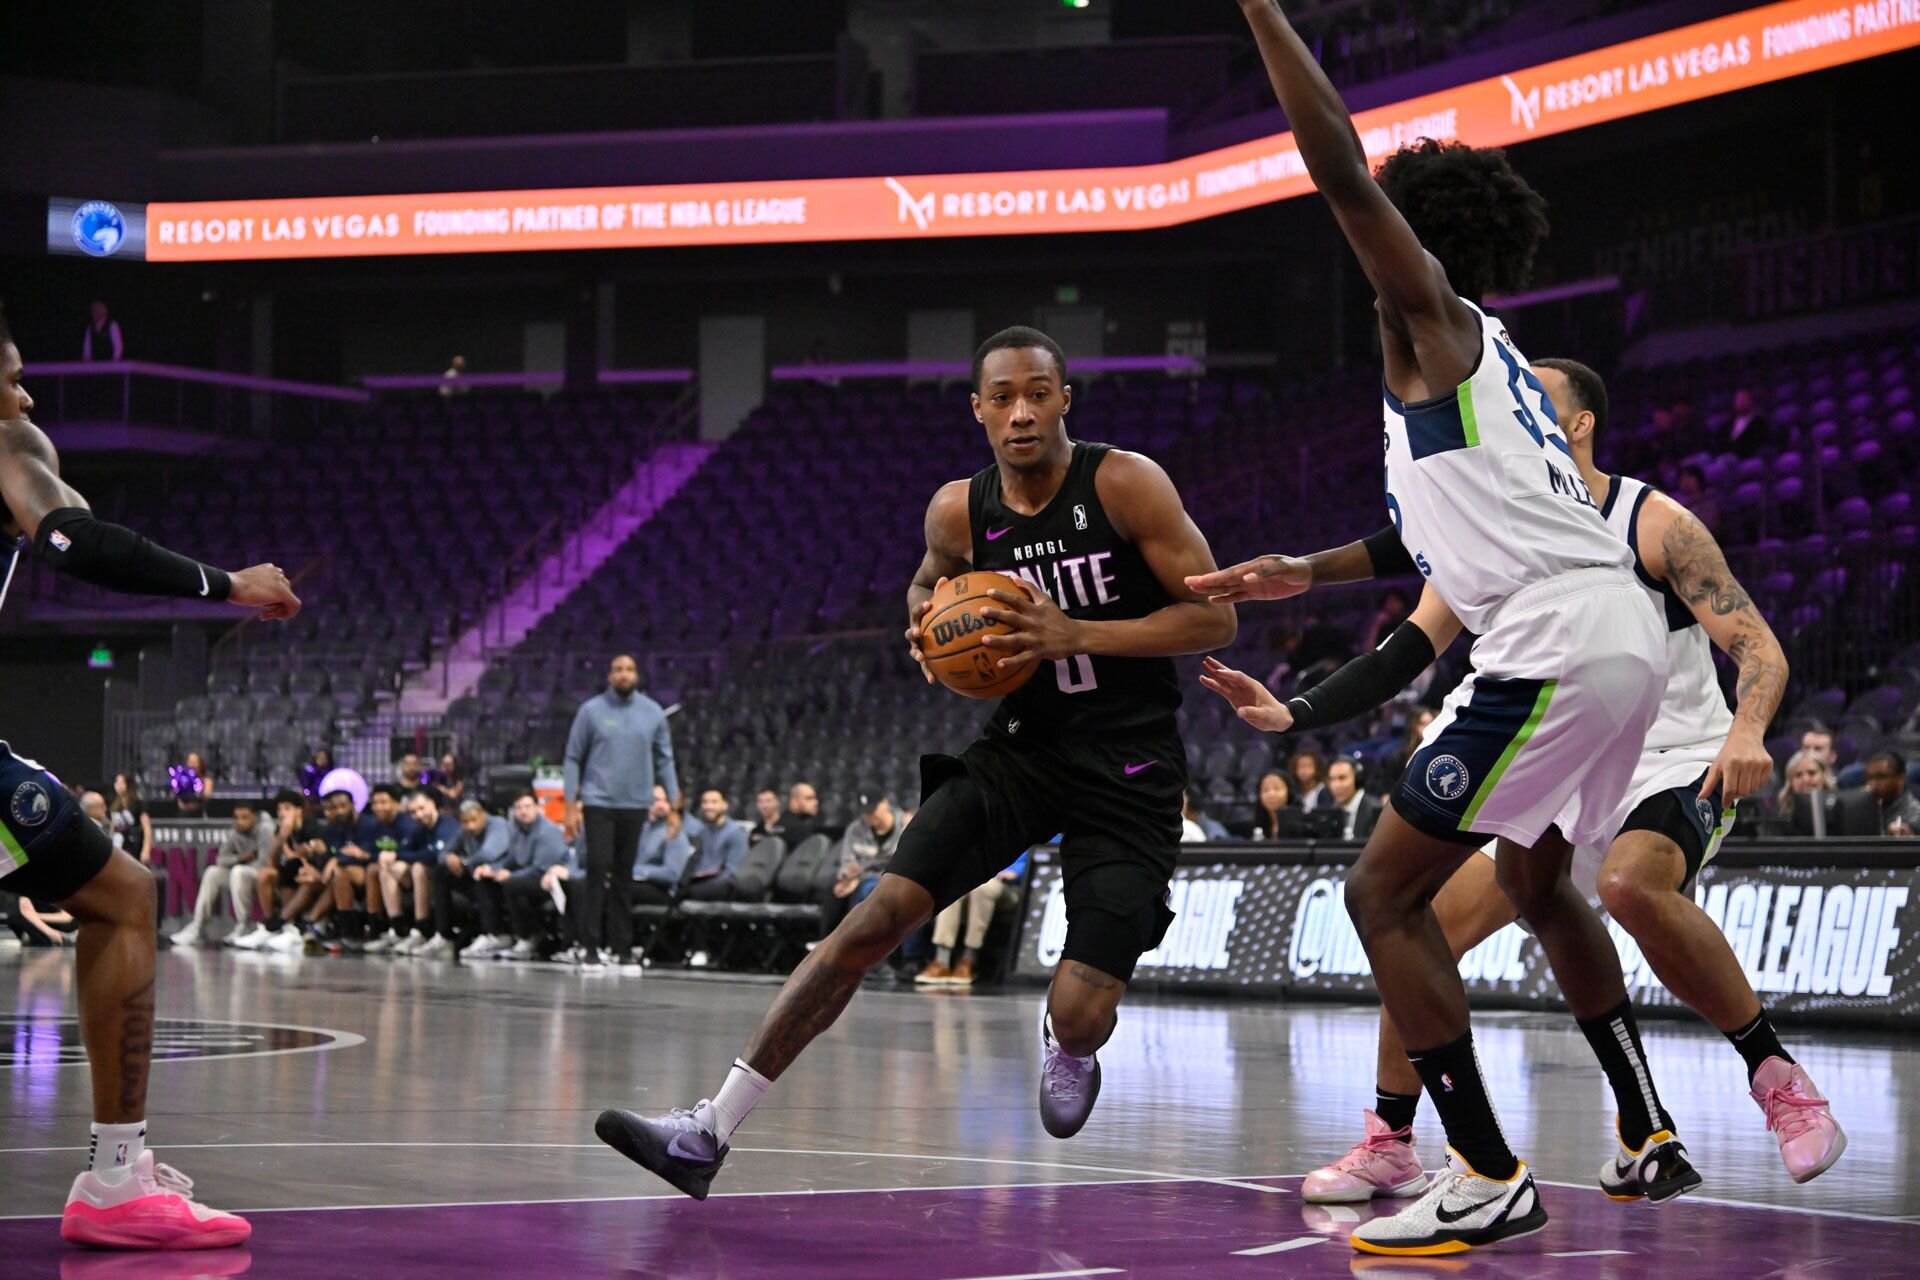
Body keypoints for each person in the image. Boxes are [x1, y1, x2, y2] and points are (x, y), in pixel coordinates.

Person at [1192, 8, 1687, 1254]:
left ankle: (1479, 1164)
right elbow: (1443, 540)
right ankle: (1640, 1121)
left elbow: (1338, 164)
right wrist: (1309, 569)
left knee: (1381, 889)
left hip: (1560, 639)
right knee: (1529, 881)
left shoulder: (1434, 319)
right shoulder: (1486, 368)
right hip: (1609, 637)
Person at [597, 323, 1235, 1198]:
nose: (1021, 412)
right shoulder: (956, 510)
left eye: (1038, 393)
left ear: (1064, 400)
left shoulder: (1123, 484)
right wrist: (926, 632)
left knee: (1084, 1014)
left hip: (1131, 763)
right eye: (1002, 397)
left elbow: (1215, 620)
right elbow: (926, 584)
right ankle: (707, 1132)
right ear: (977, 410)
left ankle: (1067, 1040)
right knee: (872, 919)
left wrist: (1073, 633)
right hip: (1024, 749)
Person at [1199, 351, 1840, 1212]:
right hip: (1558, 751)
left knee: (1626, 883)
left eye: (1537, 396)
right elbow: (1402, 653)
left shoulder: (1652, 519)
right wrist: (1294, 712)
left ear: (1577, 425)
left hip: (1676, 753)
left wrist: (1748, 731)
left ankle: (1777, 1079)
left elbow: (1759, 645)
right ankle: (1393, 1138)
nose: (1515, 405)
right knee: (1412, 918)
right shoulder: (1496, 529)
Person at [0, 303, 297, 1248]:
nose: (26, 392)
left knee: (119, 891)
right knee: (125, 899)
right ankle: (117, 1180)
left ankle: (120, 1174)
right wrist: (227, 583)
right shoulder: (7, 440)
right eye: (10, 374)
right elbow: (70, 540)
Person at [565, 654, 680, 966]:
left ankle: (622, 948)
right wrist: (569, 805)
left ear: (637, 675)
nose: (624, 674)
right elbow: (573, 757)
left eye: (629, 669)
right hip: (597, 801)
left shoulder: (652, 712)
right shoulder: (591, 711)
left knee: (624, 876)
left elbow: (664, 759)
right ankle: (589, 946)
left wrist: (674, 801)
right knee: (597, 869)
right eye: (618, 669)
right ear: (609, 676)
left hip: (636, 803)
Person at [169, 801, 274, 947]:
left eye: (245, 818)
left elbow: (264, 862)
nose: (240, 822)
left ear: (255, 817)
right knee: (213, 872)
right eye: (236, 817)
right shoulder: (235, 831)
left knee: (238, 872)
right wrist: (239, 858)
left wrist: (241, 866)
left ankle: (246, 925)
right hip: (241, 873)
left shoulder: (266, 829)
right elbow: (220, 859)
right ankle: (199, 926)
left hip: (265, 876)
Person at [915, 850, 1027, 987]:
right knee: (954, 890)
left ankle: (969, 960)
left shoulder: (1027, 830)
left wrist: (1016, 871)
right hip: (977, 880)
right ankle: (941, 961)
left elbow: (1043, 852)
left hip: (1011, 887)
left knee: (983, 889)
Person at [500, 792, 571, 959]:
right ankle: (498, 935)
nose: (523, 811)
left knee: (513, 884)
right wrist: (495, 870)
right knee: (490, 881)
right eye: (518, 808)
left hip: (551, 879)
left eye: (527, 807)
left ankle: (528, 937)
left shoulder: (548, 831)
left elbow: (539, 868)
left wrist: (510, 875)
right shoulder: (517, 830)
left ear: (537, 808)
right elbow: (510, 858)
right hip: (531, 876)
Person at [444, 799, 515, 958]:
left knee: (481, 875)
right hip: (477, 872)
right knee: (442, 872)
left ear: (483, 815)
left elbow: (488, 854)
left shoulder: (498, 824)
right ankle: (443, 934)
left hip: (502, 873)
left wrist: (463, 861)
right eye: (465, 821)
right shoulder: (464, 830)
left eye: (474, 820)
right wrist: (449, 857)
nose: (470, 826)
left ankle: (495, 934)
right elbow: (444, 852)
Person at [397, 790, 462, 957]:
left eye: (421, 808)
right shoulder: (419, 830)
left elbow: (435, 855)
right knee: (388, 867)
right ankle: (396, 929)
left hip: (456, 878)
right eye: (413, 812)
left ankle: (424, 929)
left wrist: (402, 856)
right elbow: (403, 850)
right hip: (434, 878)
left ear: (432, 804)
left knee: (419, 867)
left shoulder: (448, 825)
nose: (418, 815)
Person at [360, 784, 419, 954]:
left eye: (383, 802)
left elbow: (411, 851)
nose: (378, 807)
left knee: (387, 867)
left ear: (396, 804)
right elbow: (369, 852)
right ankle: (390, 928)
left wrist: (394, 855)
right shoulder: (374, 826)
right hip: (388, 871)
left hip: (411, 870)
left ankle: (402, 929)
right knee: (377, 868)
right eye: (375, 803)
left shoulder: (407, 824)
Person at [829, 791, 905, 912]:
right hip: (862, 879)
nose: (869, 815)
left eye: (872, 809)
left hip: (897, 879)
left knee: (870, 889)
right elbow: (848, 861)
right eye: (865, 811)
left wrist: (862, 877)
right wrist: (848, 877)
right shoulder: (856, 829)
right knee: (834, 893)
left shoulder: (906, 825)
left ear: (885, 803)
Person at [631, 785, 693, 910]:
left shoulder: (674, 833)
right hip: (638, 884)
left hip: (662, 890)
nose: (661, 805)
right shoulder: (642, 829)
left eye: (666, 801)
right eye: (657, 800)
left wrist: (636, 871)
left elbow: (672, 874)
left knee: (619, 891)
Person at [683, 789, 750, 902]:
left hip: (721, 887)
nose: (709, 806)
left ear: (724, 805)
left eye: (714, 802)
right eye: (705, 802)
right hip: (698, 880)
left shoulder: (736, 833)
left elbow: (733, 873)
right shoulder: (702, 832)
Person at [1775, 749, 1838, 837]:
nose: (1806, 780)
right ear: (1790, 782)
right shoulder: (1780, 816)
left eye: (1812, 773)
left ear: (1824, 776)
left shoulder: (1839, 810)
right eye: (1798, 775)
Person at [1374, 708, 1436, 795]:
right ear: (1413, 726)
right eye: (1422, 724)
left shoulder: (1438, 752)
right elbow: (1386, 789)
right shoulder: (1397, 756)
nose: (1428, 728)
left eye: (1431, 723)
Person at [1323, 758, 1382, 841]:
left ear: (1357, 779)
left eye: (1342, 778)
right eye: (1332, 779)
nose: (1335, 785)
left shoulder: (1375, 810)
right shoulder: (1330, 812)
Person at [1863, 751, 1920, 836]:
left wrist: (1910, 839)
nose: (1873, 784)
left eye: (1881, 777)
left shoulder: (1915, 816)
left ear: (1901, 777)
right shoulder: (1864, 809)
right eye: (1870, 778)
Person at [1245, 771, 1305, 840]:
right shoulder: (1254, 827)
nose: (1271, 794)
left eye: (1277, 788)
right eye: (1265, 790)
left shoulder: (1302, 826)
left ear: (1289, 792)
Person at [108, 775, 151, 866]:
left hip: (134, 844)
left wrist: (146, 849)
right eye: (116, 783)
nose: (118, 786)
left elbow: (147, 827)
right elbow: (113, 826)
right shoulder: (114, 805)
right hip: (118, 844)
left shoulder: (137, 803)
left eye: (121, 783)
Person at [780, 781, 822, 847]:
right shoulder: (789, 825)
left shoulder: (809, 821)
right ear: (795, 802)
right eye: (809, 798)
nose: (815, 802)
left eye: (815, 798)